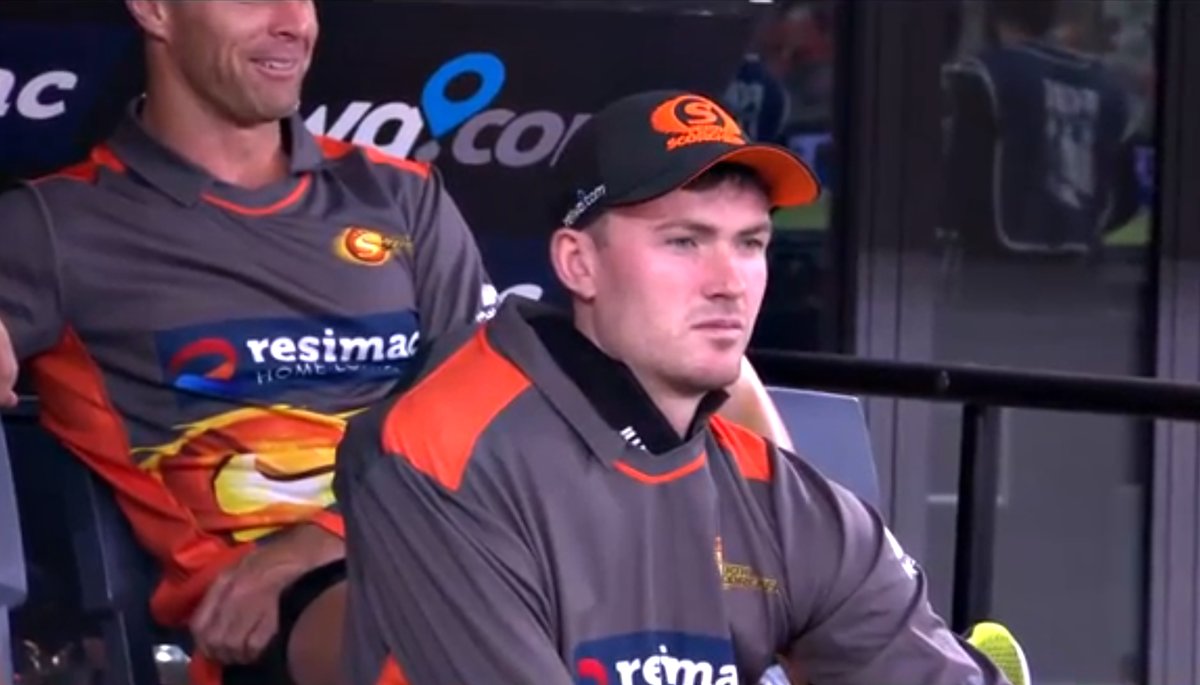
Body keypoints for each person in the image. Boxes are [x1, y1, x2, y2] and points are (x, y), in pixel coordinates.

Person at [0, 3, 796, 683]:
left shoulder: (397, 194)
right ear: (153, 8)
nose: (293, 23)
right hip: (274, 605)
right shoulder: (55, 227)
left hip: (465, 541)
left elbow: (486, 416)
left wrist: (326, 533)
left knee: (713, 409)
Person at [334, 89, 1009, 685]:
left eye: (750, 243)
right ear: (578, 263)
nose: (729, 282)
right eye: (685, 241)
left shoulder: (778, 497)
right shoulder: (442, 452)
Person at [942, 0, 1140, 259]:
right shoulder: (1107, 86)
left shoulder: (985, 74)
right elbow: (1125, 196)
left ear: (995, 15)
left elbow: (957, 182)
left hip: (994, 263)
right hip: (1079, 260)